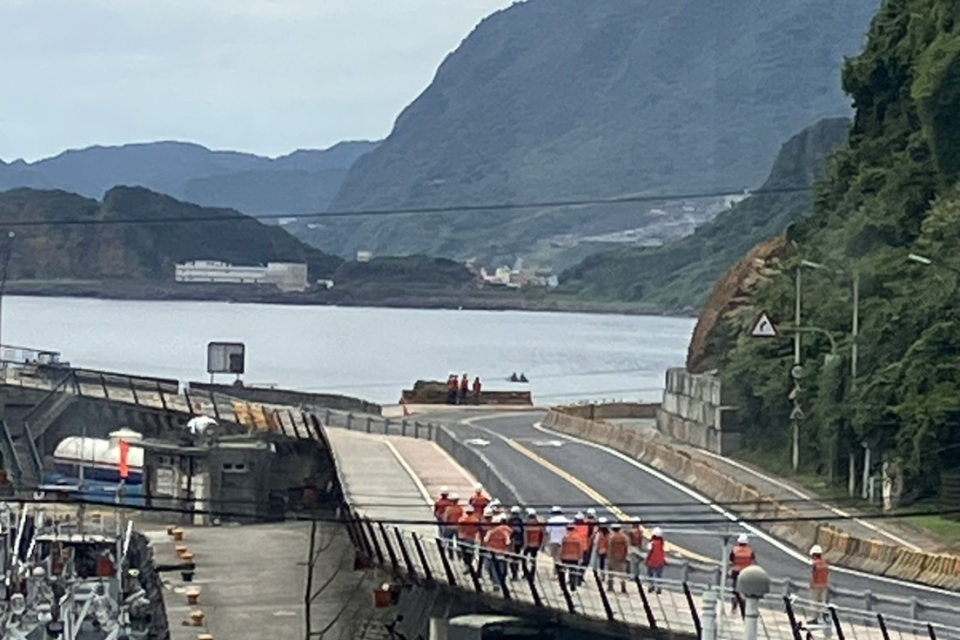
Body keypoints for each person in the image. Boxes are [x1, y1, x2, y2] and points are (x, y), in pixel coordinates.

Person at [484, 514, 513, 591]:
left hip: (491, 553)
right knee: (502, 570)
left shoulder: (491, 531)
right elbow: (508, 542)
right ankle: (502, 583)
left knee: (493, 569)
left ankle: (496, 583)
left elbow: (485, 540)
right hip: (502, 554)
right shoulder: (507, 530)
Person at [730, 533, 756, 612]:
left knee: (735, 589)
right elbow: (753, 560)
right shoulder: (750, 551)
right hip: (747, 573)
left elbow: (731, 559)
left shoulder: (735, 550)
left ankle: (734, 606)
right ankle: (744, 605)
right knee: (745, 590)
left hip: (736, 571)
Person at [560, 523, 585, 592]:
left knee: (563, 573)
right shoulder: (578, 537)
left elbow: (562, 548)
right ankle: (572, 587)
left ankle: (563, 587)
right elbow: (580, 548)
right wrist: (581, 557)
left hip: (565, 557)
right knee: (573, 573)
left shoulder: (565, 537)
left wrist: (560, 556)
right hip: (574, 558)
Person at [808, 544, 830, 623]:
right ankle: (824, 616)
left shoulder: (815, 564)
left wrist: (811, 585)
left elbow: (813, 575)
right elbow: (827, 574)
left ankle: (814, 618)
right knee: (823, 603)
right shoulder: (825, 563)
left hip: (816, 586)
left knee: (815, 603)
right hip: (824, 586)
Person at [606, 522, 630, 592]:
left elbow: (609, 547)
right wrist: (626, 556)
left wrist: (608, 556)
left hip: (612, 557)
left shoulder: (611, 537)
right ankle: (623, 587)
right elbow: (626, 547)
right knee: (622, 574)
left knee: (610, 573)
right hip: (622, 557)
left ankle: (610, 587)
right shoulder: (624, 537)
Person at [458, 505, 481, 572]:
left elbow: (459, 528)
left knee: (464, 553)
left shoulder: (462, 519)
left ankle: (467, 565)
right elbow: (477, 529)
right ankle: (469, 565)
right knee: (470, 553)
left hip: (462, 538)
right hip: (471, 538)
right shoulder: (476, 520)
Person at [522, 508, 545, 574]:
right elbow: (543, 535)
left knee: (524, 560)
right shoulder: (539, 524)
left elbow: (525, 535)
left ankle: (526, 572)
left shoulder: (527, 524)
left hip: (528, 545)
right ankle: (532, 573)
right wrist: (541, 546)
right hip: (536, 545)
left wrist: (524, 546)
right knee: (533, 560)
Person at [506, 506, 525, 580]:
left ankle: (514, 574)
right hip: (518, 542)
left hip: (512, 542)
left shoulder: (509, 520)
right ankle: (515, 573)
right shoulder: (520, 521)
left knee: (511, 558)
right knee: (516, 558)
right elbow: (522, 532)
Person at [645, 527, 667, 594]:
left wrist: (646, 560)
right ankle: (659, 588)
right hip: (660, 561)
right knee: (659, 575)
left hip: (652, 561)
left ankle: (651, 586)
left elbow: (649, 552)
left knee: (650, 574)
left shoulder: (652, 543)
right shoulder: (662, 542)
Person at [442, 493, 463, 559]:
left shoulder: (448, 509)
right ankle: (459, 556)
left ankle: (451, 556)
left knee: (449, 542)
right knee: (459, 542)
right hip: (458, 527)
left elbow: (445, 518)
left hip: (449, 527)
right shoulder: (460, 508)